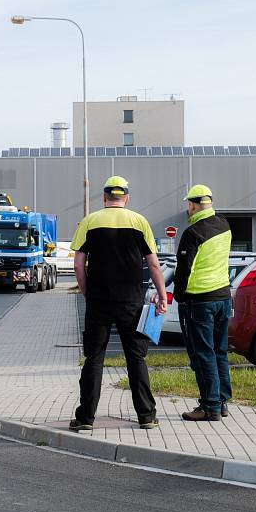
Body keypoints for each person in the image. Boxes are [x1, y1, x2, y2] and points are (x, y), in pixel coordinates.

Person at [69, 176, 168, 431]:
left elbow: (79, 264)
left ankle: (85, 418)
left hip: (99, 301)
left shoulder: (90, 221)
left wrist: (87, 292)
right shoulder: (139, 222)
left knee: (94, 358)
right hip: (131, 302)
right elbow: (154, 263)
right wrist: (162, 294)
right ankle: (146, 415)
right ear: (126, 198)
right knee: (136, 359)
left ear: (104, 197)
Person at [173, 184, 232, 421]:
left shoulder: (193, 232)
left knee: (203, 353)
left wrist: (179, 295)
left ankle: (209, 407)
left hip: (200, 300)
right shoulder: (224, 225)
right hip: (223, 296)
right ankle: (222, 401)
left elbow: (184, 269)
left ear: (193, 205)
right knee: (220, 351)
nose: (188, 209)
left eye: (189, 204)